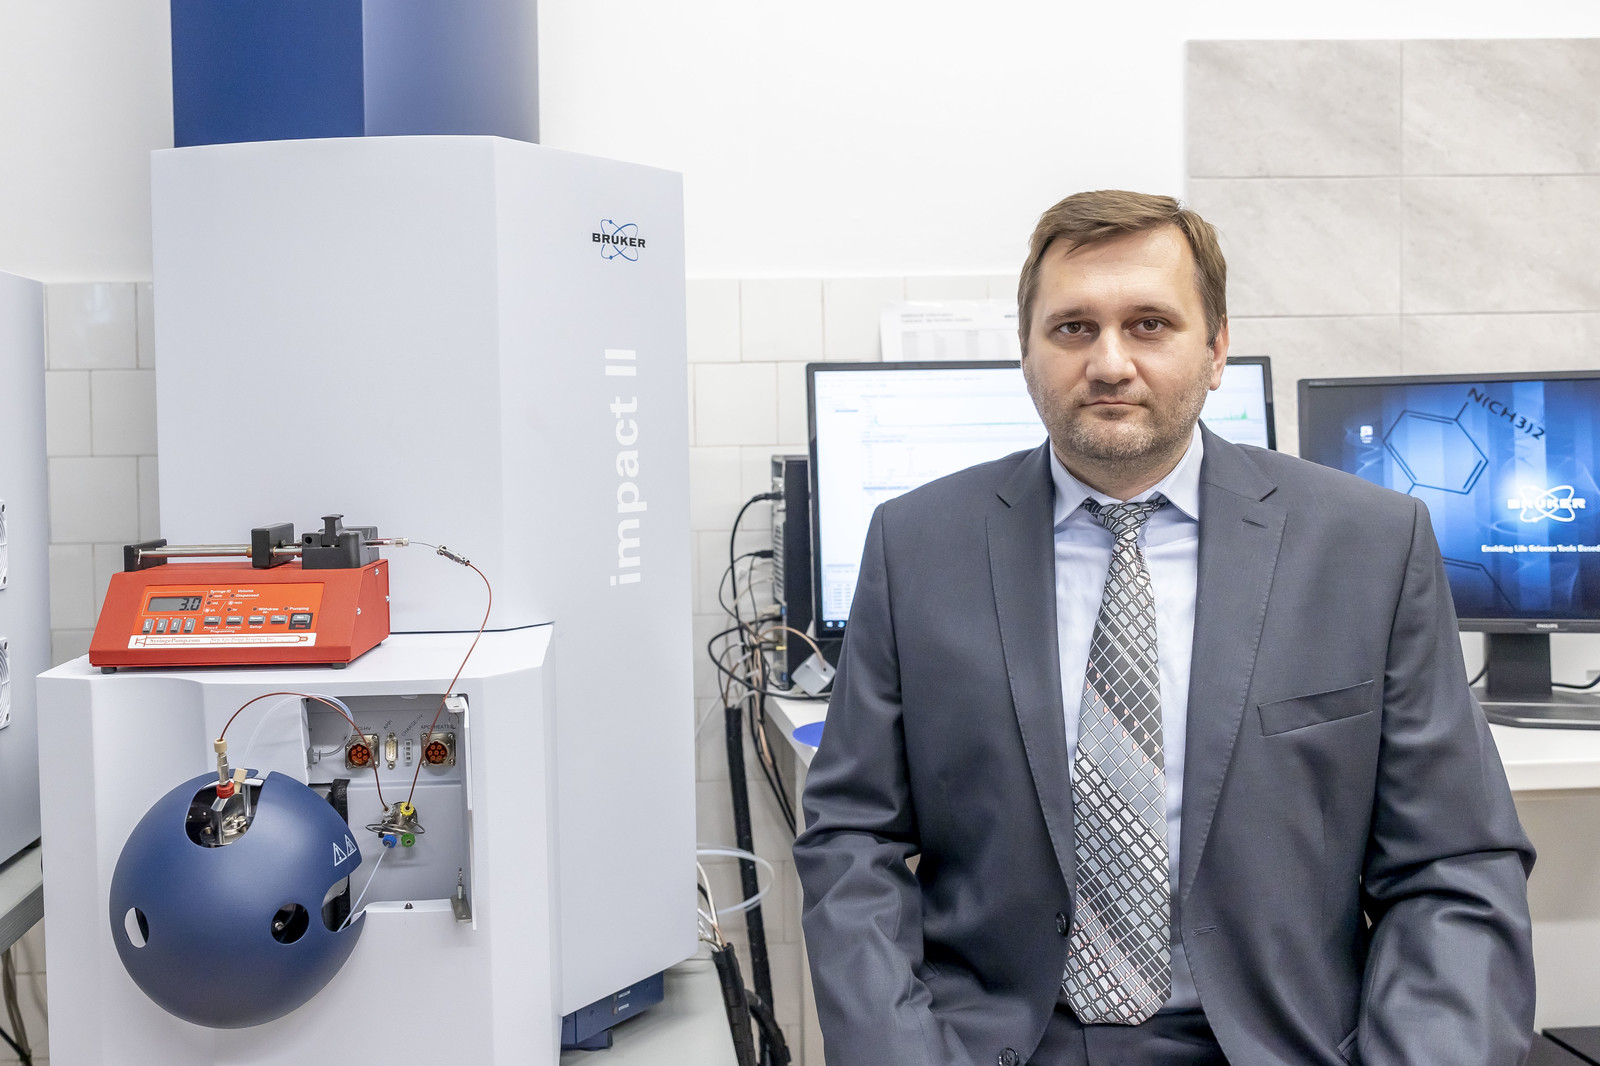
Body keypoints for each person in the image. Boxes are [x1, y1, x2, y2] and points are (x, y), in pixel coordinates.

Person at [792, 190, 1535, 1066]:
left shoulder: (1370, 545)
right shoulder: (917, 545)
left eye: (1150, 325)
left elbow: (1453, 864)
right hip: (1000, 1044)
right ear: (1026, 352)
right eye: (1073, 328)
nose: (1110, 363)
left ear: (1216, 350)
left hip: (1278, 1043)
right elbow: (853, 840)